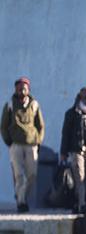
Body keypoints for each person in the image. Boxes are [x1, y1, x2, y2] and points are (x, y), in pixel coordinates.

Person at [2, 77, 44, 212]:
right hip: (16, 145)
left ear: (28, 89)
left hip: (31, 144)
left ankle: (21, 194)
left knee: (32, 175)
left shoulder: (34, 105)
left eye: (24, 88)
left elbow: (40, 125)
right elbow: (4, 126)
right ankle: (21, 202)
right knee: (19, 175)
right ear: (16, 90)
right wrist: (9, 142)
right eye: (19, 88)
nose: (22, 90)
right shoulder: (10, 104)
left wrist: (38, 140)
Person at [59, 86, 86, 213]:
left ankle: (81, 201)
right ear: (80, 97)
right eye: (85, 96)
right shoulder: (72, 113)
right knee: (79, 177)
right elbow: (65, 134)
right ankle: (82, 204)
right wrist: (63, 152)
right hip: (77, 150)